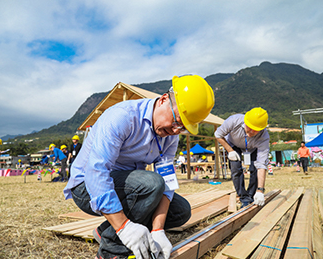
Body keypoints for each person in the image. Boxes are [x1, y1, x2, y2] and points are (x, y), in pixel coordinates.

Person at [63, 75, 215, 259]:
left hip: (130, 187)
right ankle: (111, 251)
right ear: (164, 100)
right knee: (151, 184)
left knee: (180, 211)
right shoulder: (123, 117)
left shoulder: (171, 136)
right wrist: (123, 227)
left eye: (183, 128)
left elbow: (167, 181)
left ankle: (105, 230)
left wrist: (157, 230)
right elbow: (97, 172)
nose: (175, 131)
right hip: (87, 186)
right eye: (176, 121)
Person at [215, 107, 270, 208]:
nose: (251, 131)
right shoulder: (234, 120)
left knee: (254, 169)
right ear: (245, 121)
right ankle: (243, 197)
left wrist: (260, 190)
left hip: (253, 148)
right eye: (249, 127)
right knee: (236, 168)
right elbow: (218, 134)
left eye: (255, 130)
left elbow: (262, 165)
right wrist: (230, 151)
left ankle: (252, 195)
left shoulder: (264, 137)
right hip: (233, 145)